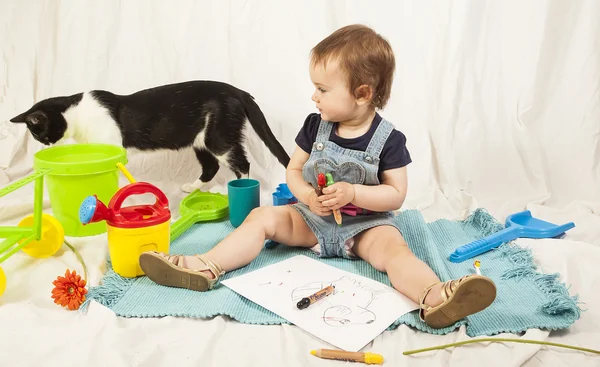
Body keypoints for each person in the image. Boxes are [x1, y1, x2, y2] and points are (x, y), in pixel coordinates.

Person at [139, 24, 497, 328]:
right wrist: (307, 196)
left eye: (323, 90)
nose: (314, 96)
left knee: (396, 253)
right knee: (262, 217)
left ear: (362, 94)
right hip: (311, 220)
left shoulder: (389, 139)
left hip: (367, 228)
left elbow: (395, 195)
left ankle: (434, 297)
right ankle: (205, 266)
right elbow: (294, 170)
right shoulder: (316, 127)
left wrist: (354, 193)